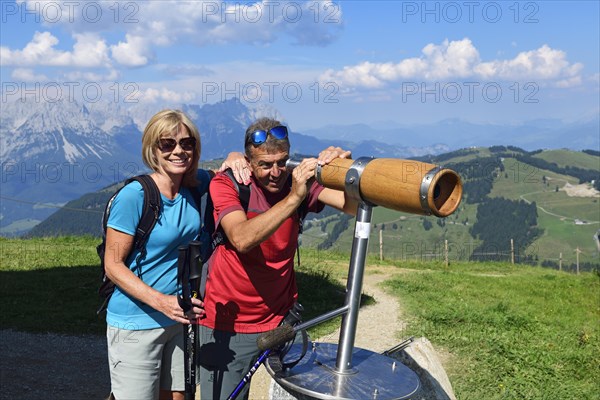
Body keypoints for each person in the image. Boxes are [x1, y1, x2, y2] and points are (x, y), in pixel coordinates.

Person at [198, 117, 356, 399]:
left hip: (282, 321)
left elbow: (351, 206)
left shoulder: (296, 181)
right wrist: (294, 198)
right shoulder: (228, 184)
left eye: (282, 162)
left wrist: (346, 169)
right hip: (227, 324)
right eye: (265, 164)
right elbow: (242, 239)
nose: (276, 172)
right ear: (248, 161)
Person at [103, 109, 249, 400]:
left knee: (178, 397)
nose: (178, 151)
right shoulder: (135, 196)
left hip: (178, 318)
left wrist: (235, 154)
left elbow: (227, 173)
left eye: (187, 143)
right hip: (136, 321)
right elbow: (113, 265)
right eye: (167, 144)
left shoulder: (195, 186)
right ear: (152, 149)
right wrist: (162, 302)